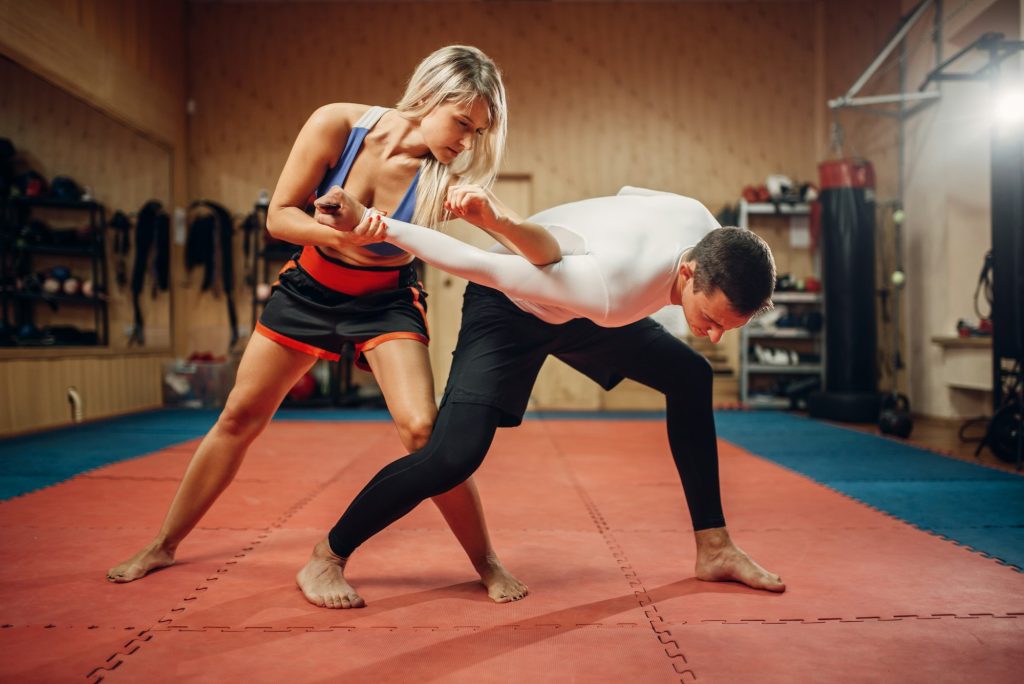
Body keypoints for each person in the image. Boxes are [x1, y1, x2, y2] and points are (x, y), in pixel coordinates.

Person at [108, 46, 549, 604]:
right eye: (463, 123)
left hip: (385, 303)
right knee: (240, 416)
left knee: (424, 431)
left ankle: (486, 561)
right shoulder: (338, 124)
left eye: (478, 133)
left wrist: (500, 220)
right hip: (309, 291)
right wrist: (344, 234)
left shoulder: (442, 183)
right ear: (430, 96)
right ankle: (164, 543)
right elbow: (279, 218)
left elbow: (534, 246)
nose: (466, 143)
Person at [293, 183, 785, 609]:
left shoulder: (705, 226)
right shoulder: (613, 292)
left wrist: (580, 238)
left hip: (578, 302)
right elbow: (478, 265)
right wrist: (375, 223)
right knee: (453, 456)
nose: (714, 335)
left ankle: (715, 547)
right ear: (689, 272)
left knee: (692, 375)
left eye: (728, 327)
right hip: (509, 308)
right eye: (711, 320)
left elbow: (628, 196)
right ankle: (327, 555)